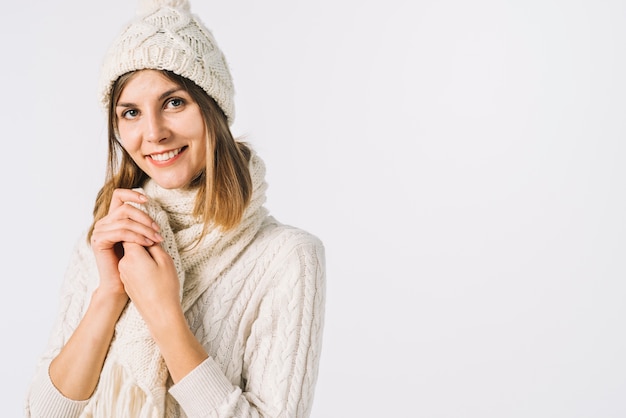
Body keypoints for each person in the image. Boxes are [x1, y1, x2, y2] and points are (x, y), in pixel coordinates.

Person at [24, 0, 326, 417]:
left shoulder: (286, 257)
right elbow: (44, 412)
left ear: (213, 108)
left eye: (174, 103)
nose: (154, 133)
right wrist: (110, 294)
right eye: (130, 113)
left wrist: (163, 313)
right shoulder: (109, 238)